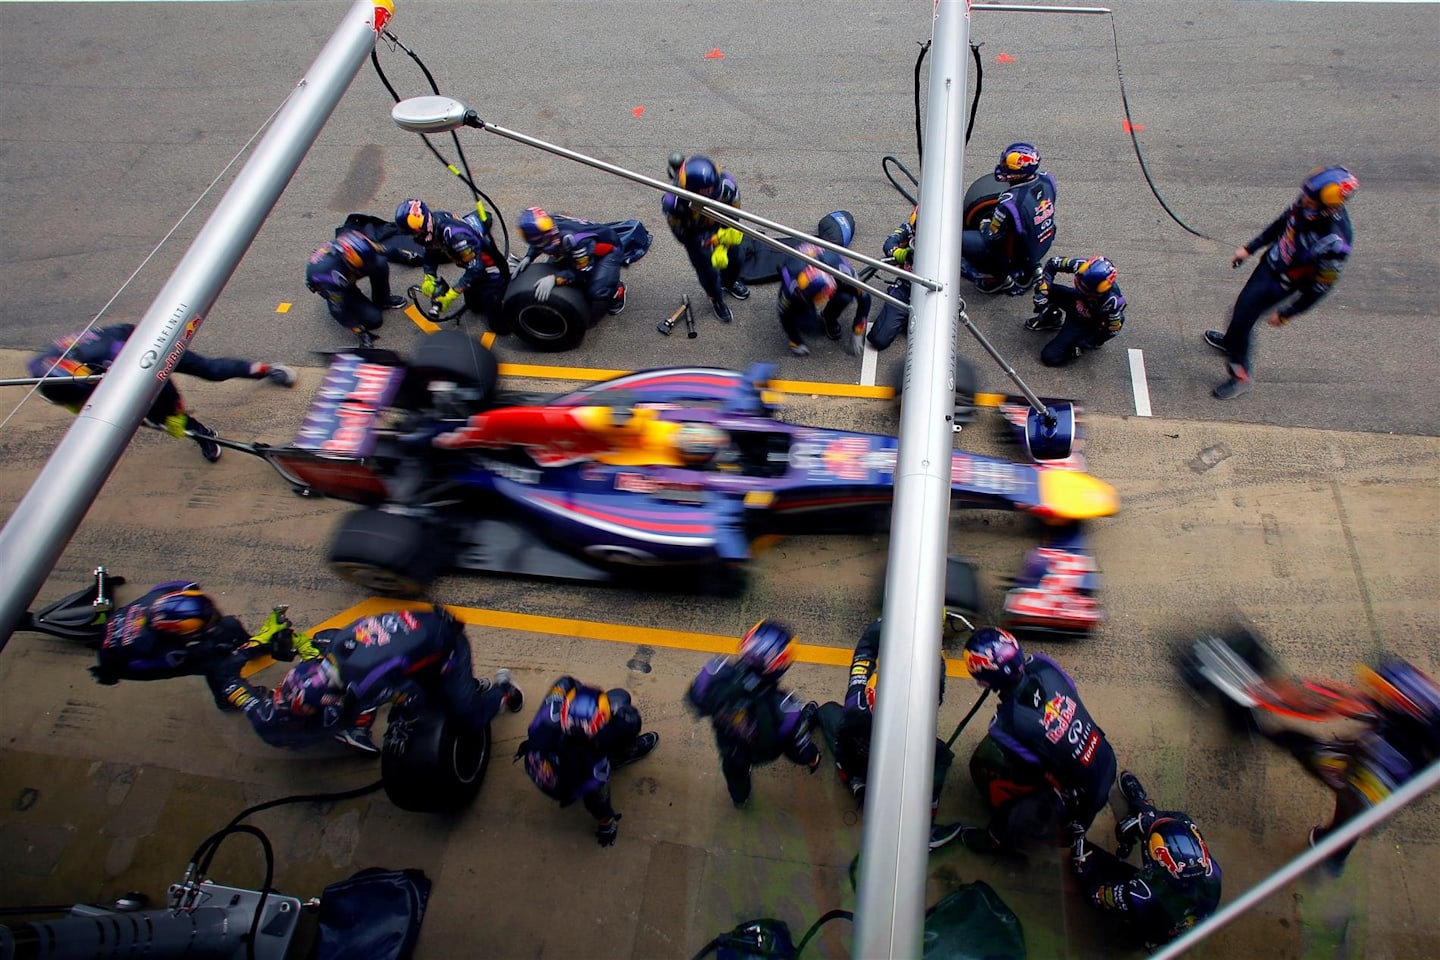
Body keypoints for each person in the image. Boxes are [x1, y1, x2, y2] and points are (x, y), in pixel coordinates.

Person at [208, 605, 522, 755]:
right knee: (424, 686)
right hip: (415, 632)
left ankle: (503, 690)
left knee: (466, 715)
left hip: (446, 645)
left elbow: (409, 699)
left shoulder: (368, 682)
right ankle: (465, 686)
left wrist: (396, 721)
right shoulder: (331, 648)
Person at [27, 322, 296, 463]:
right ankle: (202, 434)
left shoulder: (112, 357)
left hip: (148, 353)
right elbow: (77, 403)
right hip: (125, 357)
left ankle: (266, 369)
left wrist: (174, 408)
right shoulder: (45, 371)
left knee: (205, 373)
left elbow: (159, 383)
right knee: (162, 416)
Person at [956, 627, 1117, 854]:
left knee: (1016, 812)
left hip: (1082, 797)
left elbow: (1031, 766)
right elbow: (1071, 688)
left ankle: (997, 841)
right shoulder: (1044, 664)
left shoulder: (1004, 725)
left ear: (983, 679)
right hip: (1105, 755)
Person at [1206, 165, 1358, 399]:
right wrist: (1250, 249)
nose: (1303, 201)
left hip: (1282, 284)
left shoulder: (1335, 242)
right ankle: (1231, 341)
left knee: (1243, 317)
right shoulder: (1306, 207)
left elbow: (1320, 287)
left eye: (1310, 200)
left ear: (1329, 207)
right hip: (1269, 266)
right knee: (1240, 312)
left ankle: (1240, 376)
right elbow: (1281, 224)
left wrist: (1288, 313)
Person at [821, 618, 964, 851]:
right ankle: (924, 824)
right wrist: (935, 652)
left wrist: (883, 624)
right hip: (899, 759)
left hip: (859, 754)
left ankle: (855, 780)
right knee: (942, 757)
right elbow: (936, 689)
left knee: (827, 712)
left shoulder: (857, 702)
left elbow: (864, 653)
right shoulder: (919, 717)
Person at [1070, 771, 1222, 949]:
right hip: (1186, 921)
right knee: (1157, 821)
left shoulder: (1139, 892)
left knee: (1097, 876)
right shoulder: (1212, 872)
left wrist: (1083, 862)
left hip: (1156, 927)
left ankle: (1139, 939)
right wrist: (1148, 817)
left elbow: (1099, 896)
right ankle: (1142, 806)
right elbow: (1181, 823)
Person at [685, 620, 822, 808]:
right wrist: (812, 757)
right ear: (780, 666)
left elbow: (694, 699)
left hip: (730, 747)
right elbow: (797, 750)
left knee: (734, 772)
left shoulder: (713, 674)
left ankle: (740, 800)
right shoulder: (788, 710)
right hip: (764, 752)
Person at [516, 676, 659, 846]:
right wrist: (606, 822)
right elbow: (598, 799)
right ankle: (621, 758)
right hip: (566, 784)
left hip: (539, 766)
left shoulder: (549, 715)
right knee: (621, 699)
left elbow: (563, 683)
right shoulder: (593, 767)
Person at [393, 199, 512, 328]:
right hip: (472, 266)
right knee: (474, 306)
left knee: (498, 326)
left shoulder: (455, 237)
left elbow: (476, 269)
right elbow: (430, 253)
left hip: (491, 269)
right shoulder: (435, 222)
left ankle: (507, 299)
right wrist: (429, 275)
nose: (412, 237)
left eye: (413, 233)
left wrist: (452, 293)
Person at [962, 142, 1059, 295]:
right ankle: (1028, 267)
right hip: (1042, 243)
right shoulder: (1048, 180)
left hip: (1016, 256)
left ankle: (997, 279)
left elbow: (991, 237)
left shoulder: (1009, 202)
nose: (1002, 166)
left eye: (1006, 164)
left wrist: (984, 223)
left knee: (953, 239)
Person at [663, 154, 749, 324]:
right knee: (708, 272)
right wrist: (703, 242)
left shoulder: (726, 186)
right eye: (707, 191)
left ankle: (730, 283)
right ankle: (716, 298)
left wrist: (726, 234)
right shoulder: (674, 202)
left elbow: (735, 213)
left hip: (721, 225)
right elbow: (680, 233)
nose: (711, 193)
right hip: (697, 234)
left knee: (736, 258)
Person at [305, 228, 407, 348]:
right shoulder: (331, 278)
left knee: (380, 262)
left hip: (346, 269)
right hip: (335, 285)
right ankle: (357, 301)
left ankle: (383, 299)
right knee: (374, 320)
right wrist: (360, 331)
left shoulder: (359, 241)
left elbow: (383, 249)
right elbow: (338, 310)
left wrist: (408, 256)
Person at [515, 206, 627, 316]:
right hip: (582, 248)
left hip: (608, 251)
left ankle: (617, 289)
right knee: (554, 267)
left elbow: (583, 271)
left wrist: (555, 279)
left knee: (596, 290)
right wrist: (529, 257)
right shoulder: (548, 225)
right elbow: (539, 243)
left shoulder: (574, 240)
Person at [1027, 256, 1127, 368]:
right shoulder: (1081, 265)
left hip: (1085, 320)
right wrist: (1043, 291)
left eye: (1087, 289)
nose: (1082, 288)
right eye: (1081, 284)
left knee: (1050, 356)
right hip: (1074, 300)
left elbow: (1111, 330)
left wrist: (1084, 343)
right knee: (1041, 288)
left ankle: (1073, 347)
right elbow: (1052, 263)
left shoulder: (1112, 302)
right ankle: (1052, 318)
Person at [775, 243, 871, 357]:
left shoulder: (843, 272)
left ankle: (829, 317)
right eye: (819, 297)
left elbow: (865, 297)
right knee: (811, 327)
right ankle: (812, 318)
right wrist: (795, 341)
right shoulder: (790, 287)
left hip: (830, 271)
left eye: (826, 294)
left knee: (845, 297)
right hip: (801, 285)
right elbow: (783, 313)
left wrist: (858, 330)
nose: (824, 298)